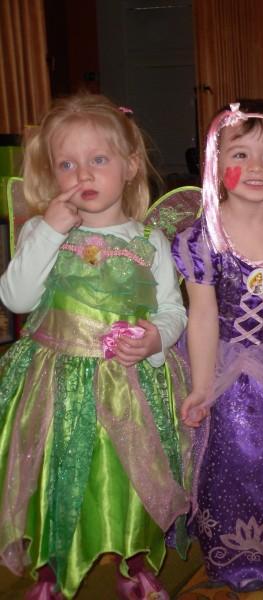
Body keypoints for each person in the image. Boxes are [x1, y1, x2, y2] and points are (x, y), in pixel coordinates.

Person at [0, 94, 188, 599]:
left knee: (131, 473)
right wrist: (49, 231)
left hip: (129, 385)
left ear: (130, 167)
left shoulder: (149, 240)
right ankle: (51, 566)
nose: (82, 173)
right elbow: (16, 298)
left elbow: (173, 310)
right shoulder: (43, 231)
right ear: (52, 173)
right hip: (55, 383)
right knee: (57, 473)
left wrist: (155, 338)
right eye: (67, 164)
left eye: (98, 159)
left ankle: (135, 557)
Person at [173, 100, 263, 591]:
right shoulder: (203, 236)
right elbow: (201, 313)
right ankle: (227, 554)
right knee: (226, 460)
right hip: (217, 358)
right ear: (216, 164)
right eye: (240, 154)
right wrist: (201, 386)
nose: (256, 167)